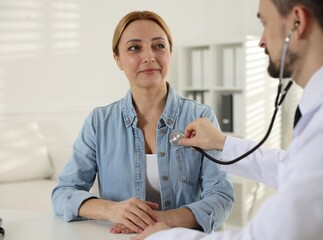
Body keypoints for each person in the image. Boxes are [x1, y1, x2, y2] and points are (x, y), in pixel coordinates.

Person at [133, 0, 323, 239]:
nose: (261, 40)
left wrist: (159, 236)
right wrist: (221, 142)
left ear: (298, 22)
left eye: (264, 22)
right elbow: (292, 168)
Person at [51, 10, 234, 235]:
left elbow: (221, 196)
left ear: (170, 52)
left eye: (158, 46)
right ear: (117, 59)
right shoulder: (99, 123)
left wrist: (165, 220)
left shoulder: (201, 117)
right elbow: (63, 193)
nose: (149, 57)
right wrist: (111, 210)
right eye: (134, 48)